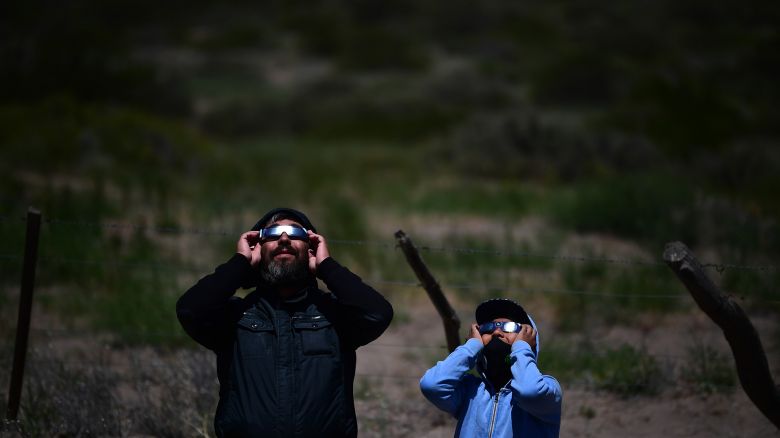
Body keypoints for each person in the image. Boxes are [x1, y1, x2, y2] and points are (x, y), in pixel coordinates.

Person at [177, 207, 393, 437]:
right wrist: (240, 263)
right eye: (272, 234)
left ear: (310, 248)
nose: (283, 239)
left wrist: (327, 266)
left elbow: (378, 313)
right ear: (257, 248)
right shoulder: (236, 316)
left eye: (295, 233)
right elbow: (190, 310)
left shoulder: (334, 315)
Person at [420, 298, 562, 437]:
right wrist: (471, 347)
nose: (496, 332)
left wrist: (523, 348)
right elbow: (432, 385)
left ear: (528, 339)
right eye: (488, 328)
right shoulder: (470, 390)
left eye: (509, 327)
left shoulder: (548, 388)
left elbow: (529, 391)